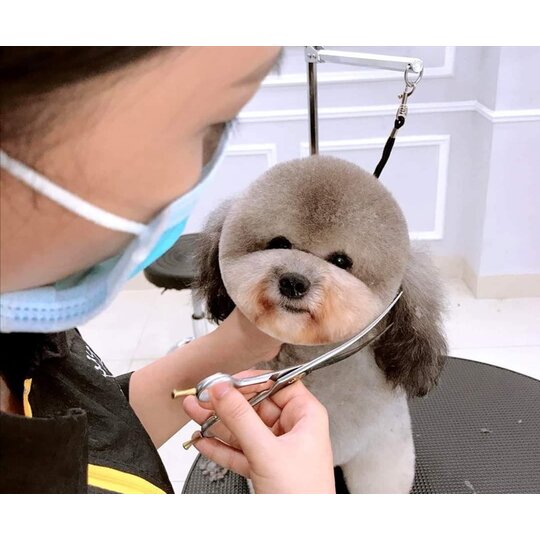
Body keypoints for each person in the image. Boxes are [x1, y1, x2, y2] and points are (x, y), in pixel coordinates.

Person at [0, 46, 336, 494]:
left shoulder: (24, 309)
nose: (204, 163)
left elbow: (93, 433)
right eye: (216, 122)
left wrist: (237, 344)